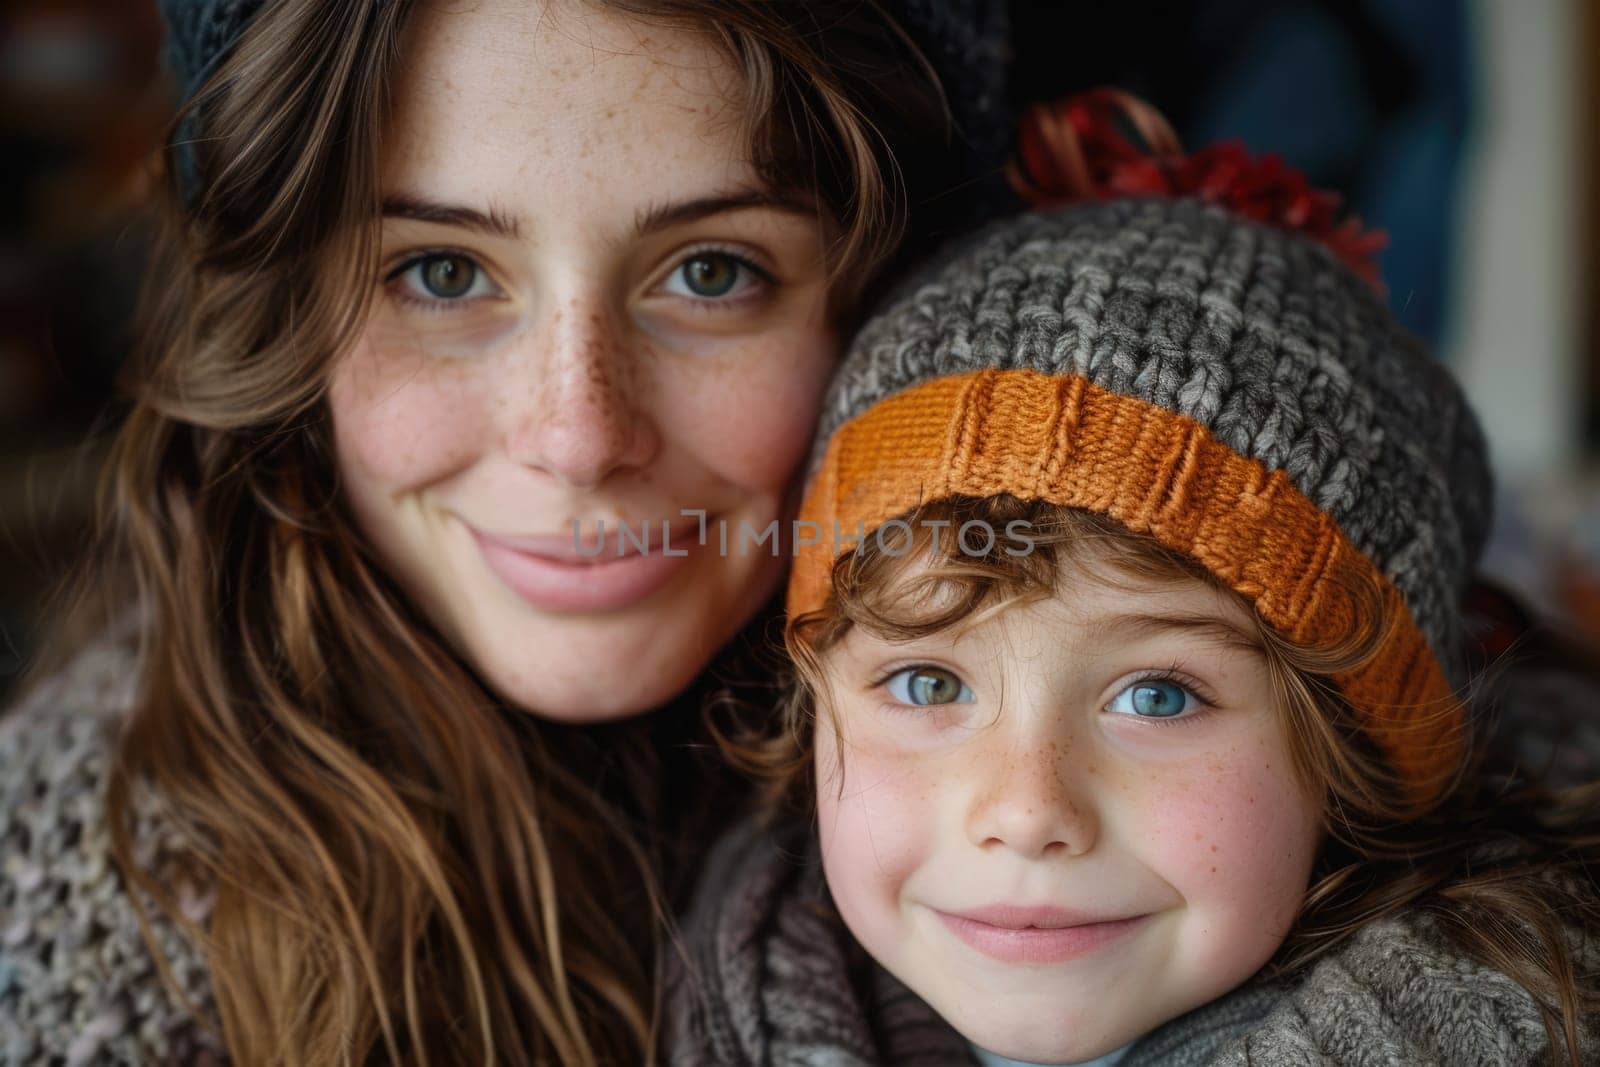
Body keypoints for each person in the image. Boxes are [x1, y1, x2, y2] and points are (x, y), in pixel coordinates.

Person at [0, 1, 1015, 1063]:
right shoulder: (83, 930)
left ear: (903, 301)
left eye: (712, 271)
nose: (578, 436)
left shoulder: (1102, 778)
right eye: (442, 272)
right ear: (279, 316)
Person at [665, 91, 1600, 1065]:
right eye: (927, 681)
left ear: (1355, 756)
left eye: (1157, 694)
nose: (1027, 812)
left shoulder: (1525, 1015)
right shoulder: (727, 983)